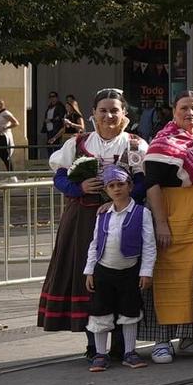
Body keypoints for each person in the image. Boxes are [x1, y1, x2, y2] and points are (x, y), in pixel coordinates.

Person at [40, 90, 148, 359]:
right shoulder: (78, 143)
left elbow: (145, 181)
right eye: (104, 110)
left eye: (115, 110)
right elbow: (60, 177)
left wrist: (120, 198)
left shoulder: (135, 145)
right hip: (84, 219)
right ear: (94, 114)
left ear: (124, 114)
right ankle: (93, 344)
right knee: (88, 277)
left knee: (123, 277)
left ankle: (122, 345)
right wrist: (79, 187)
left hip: (124, 218)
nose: (109, 115)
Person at [141, 92, 193, 362]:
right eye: (184, 108)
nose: (190, 113)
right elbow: (152, 185)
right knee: (168, 275)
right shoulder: (163, 143)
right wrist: (161, 223)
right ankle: (162, 339)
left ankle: (190, 335)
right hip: (171, 213)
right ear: (174, 112)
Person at [82, 165, 155, 371]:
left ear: (130, 186)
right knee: (100, 311)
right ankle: (100, 354)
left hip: (129, 270)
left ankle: (129, 352)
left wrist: (146, 271)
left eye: (121, 184)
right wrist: (89, 270)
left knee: (130, 311)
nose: (116, 189)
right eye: (111, 186)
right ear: (106, 190)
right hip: (103, 270)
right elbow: (95, 243)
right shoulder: (103, 214)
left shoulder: (142, 213)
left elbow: (149, 244)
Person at [0, 97, 16, 173]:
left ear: (0, 105)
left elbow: (15, 123)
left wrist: (5, 127)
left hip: (3, 138)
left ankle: (12, 175)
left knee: (5, 157)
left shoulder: (5, 113)